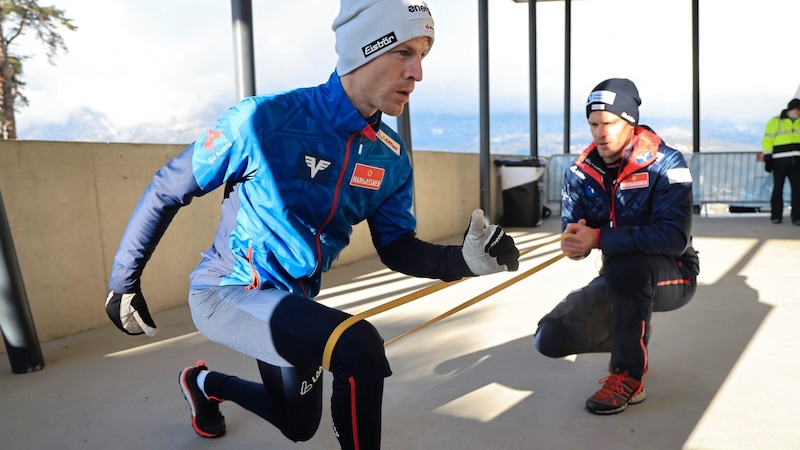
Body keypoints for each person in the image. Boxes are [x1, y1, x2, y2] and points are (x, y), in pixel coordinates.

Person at [103, 1, 520, 448]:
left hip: (295, 301)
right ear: (363, 50)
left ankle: (204, 385)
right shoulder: (264, 120)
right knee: (358, 347)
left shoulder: (390, 157)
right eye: (404, 52)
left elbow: (398, 246)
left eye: (424, 55)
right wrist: (124, 281)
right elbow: (169, 187)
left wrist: (466, 261)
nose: (418, 73)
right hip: (228, 293)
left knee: (298, 425)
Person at [533, 78, 700, 415]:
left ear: (630, 122)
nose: (599, 132)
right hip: (622, 277)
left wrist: (600, 239)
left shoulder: (666, 163)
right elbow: (577, 234)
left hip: (676, 272)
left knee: (627, 265)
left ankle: (628, 377)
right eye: (593, 124)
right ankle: (633, 327)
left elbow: (674, 237)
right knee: (549, 338)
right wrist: (576, 245)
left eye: (608, 123)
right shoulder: (579, 172)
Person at [762, 98, 800, 224]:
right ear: (791, 109)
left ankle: (797, 217)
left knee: (797, 190)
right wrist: (767, 157)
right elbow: (768, 140)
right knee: (778, 189)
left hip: (797, 163)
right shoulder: (775, 122)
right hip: (779, 162)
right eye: (798, 109)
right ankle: (776, 216)